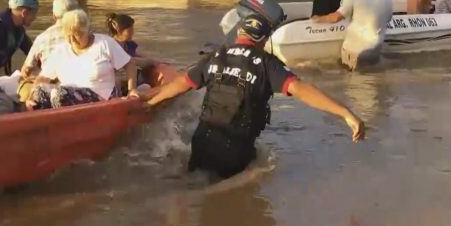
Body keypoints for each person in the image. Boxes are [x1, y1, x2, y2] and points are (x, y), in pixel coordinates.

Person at [145, 14, 365, 179]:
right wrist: (344, 112)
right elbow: (301, 90)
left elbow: (183, 82)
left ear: (240, 33)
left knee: (195, 186)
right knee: (232, 201)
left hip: (202, 140)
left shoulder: (216, 56)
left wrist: (153, 101)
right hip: (235, 148)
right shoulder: (266, 63)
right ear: (264, 39)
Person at [26, 9, 138, 109]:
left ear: (87, 31)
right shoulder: (60, 50)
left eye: (76, 35)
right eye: (68, 35)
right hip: (68, 95)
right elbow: (43, 78)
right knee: (39, 91)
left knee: (58, 94)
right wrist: (31, 96)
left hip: (102, 96)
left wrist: (131, 89)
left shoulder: (104, 43)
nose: (72, 40)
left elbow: (130, 64)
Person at [313, 0, 393, 70]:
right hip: (374, 53)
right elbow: (387, 19)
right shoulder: (388, 1)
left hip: (353, 53)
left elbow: (335, 18)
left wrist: (318, 19)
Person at [21, 0, 79, 77]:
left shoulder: (42, 38)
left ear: (54, 16)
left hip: (49, 83)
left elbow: (26, 70)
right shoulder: (85, 36)